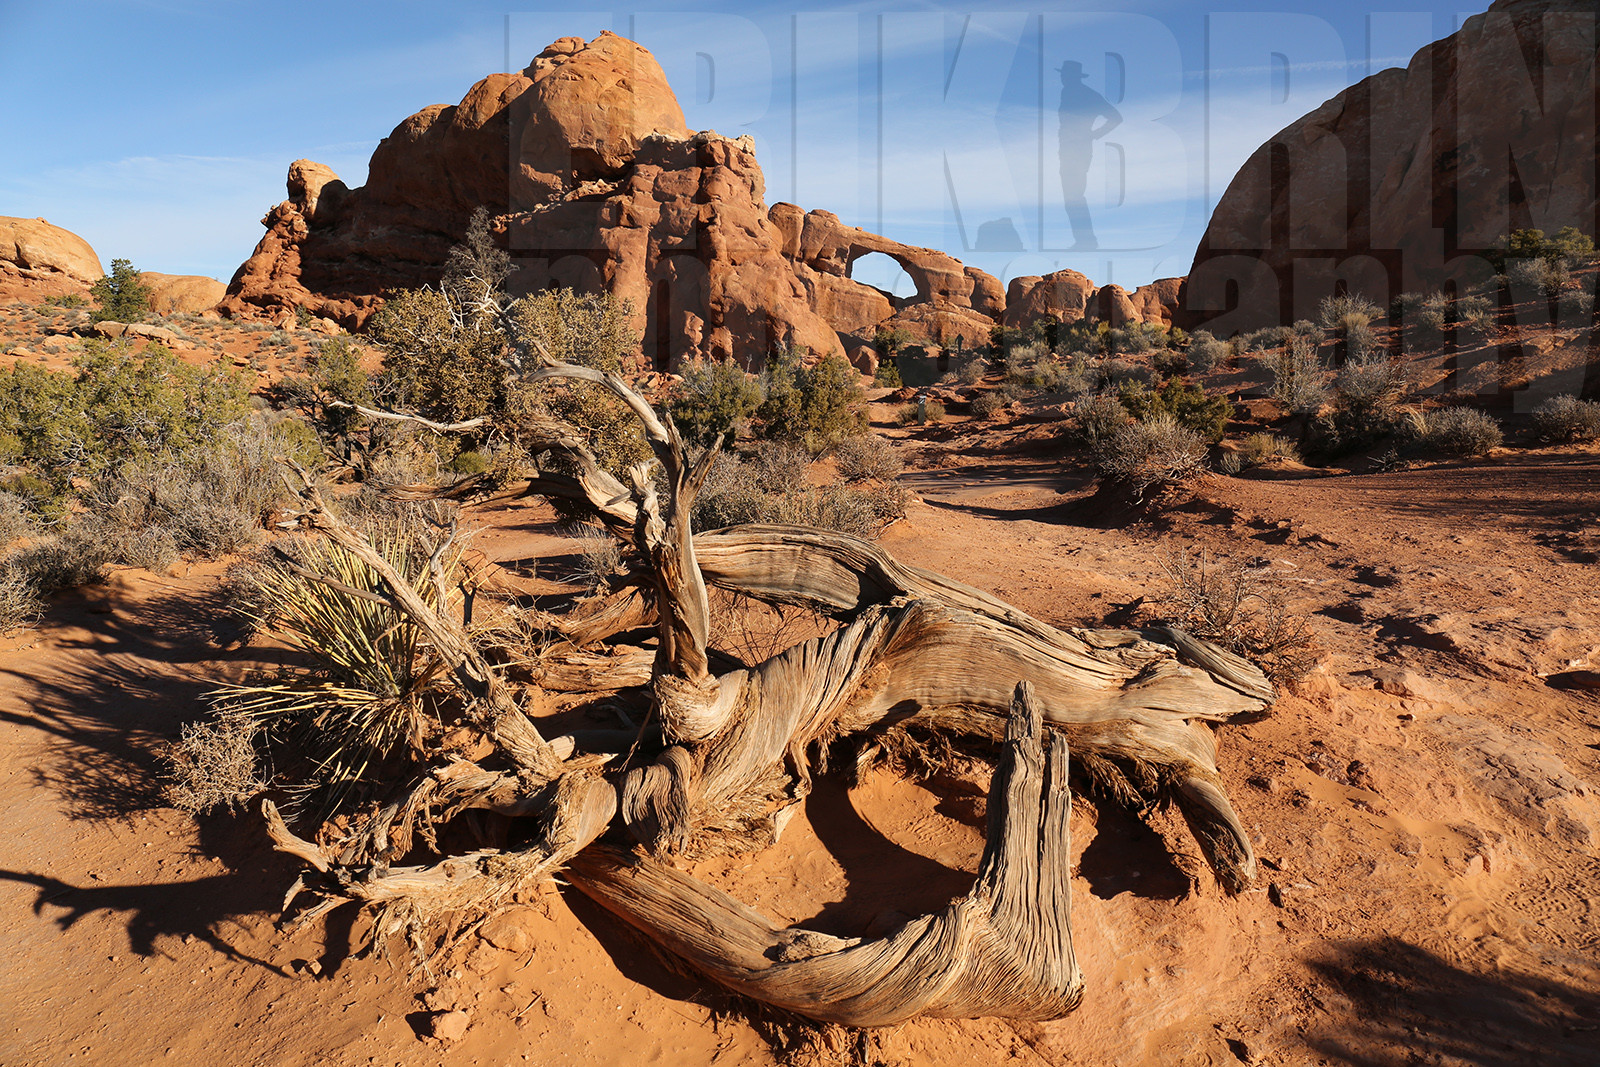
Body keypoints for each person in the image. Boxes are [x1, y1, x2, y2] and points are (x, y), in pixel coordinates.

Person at [1057, 60, 1122, 252]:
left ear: (1073, 76)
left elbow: (1115, 117)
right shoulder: (1066, 92)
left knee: (1074, 196)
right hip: (1068, 150)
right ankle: (1084, 240)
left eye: (1065, 75)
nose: (1062, 78)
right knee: (1071, 196)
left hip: (1078, 151)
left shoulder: (1087, 94)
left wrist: (1094, 134)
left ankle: (1086, 240)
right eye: (1062, 74)